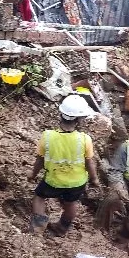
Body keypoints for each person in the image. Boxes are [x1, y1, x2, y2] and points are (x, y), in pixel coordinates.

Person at [28, 95, 100, 236]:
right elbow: (89, 163)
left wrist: (32, 174)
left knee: (39, 197)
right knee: (71, 203)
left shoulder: (47, 136)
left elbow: (40, 160)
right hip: (77, 182)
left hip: (54, 180)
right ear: (79, 119)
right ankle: (62, 229)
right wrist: (94, 179)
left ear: (61, 114)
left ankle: (37, 229)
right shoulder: (85, 139)